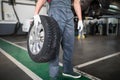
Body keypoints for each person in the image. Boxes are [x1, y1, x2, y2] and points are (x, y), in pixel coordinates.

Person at [33, 0, 83, 79]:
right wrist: (36, 13)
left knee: (69, 45)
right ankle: (53, 74)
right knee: (54, 45)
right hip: (56, 11)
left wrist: (80, 19)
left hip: (69, 13)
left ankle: (67, 70)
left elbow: (76, 2)